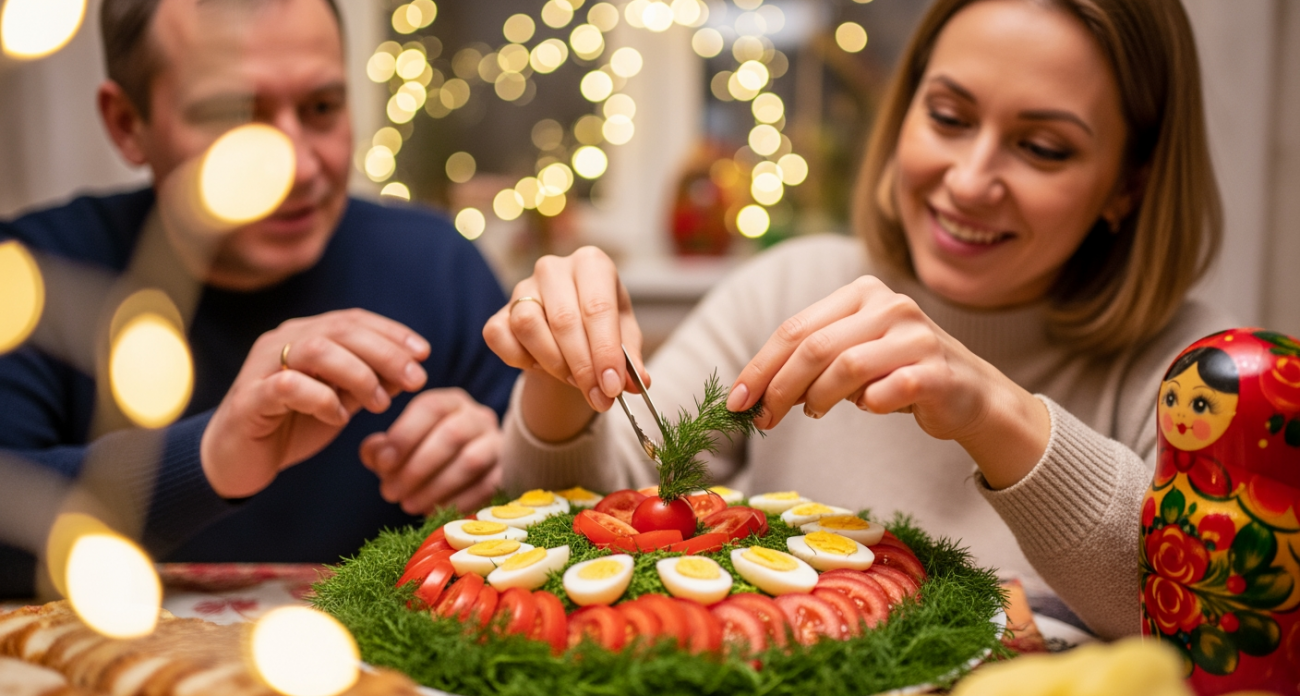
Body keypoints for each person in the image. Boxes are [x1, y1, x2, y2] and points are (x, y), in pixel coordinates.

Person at [483, 0, 1232, 640]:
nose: (970, 182)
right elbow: (590, 514)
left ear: (1128, 185)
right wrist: (558, 386)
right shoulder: (789, 287)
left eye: (1041, 148)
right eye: (947, 116)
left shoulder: (1205, 381)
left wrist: (991, 411)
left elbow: (1200, 622)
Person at [0, 0, 516, 596]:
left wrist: (498, 473)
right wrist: (210, 458)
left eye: (322, 108)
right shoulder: (33, 277)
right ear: (126, 123)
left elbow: (554, 521)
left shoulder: (440, 267)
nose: (295, 166)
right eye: (235, 118)